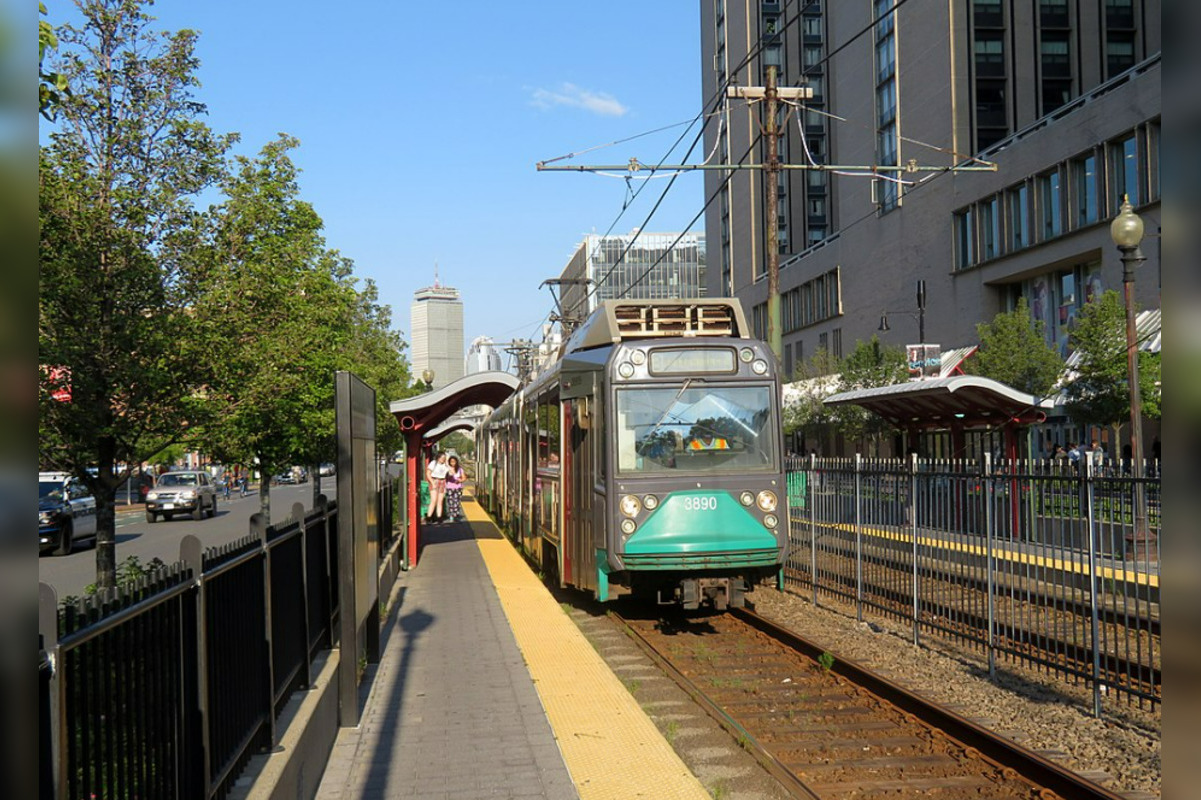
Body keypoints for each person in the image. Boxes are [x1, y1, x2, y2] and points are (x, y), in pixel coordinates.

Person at [426, 452, 449, 523]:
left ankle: (439, 517)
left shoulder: (446, 465)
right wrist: (432, 483)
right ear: (438, 458)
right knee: (433, 500)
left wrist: (447, 462)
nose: (443, 459)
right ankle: (429, 517)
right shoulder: (433, 463)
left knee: (440, 501)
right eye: (442, 458)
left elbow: (451, 472)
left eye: (444, 458)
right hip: (434, 480)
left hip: (442, 481)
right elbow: (428, 473)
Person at [444, 455, 466, 522]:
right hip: (449, 487)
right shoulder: (447, 469)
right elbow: (444, 477)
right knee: (450, 502)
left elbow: (464, 477)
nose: (452, 463)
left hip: (458, 487)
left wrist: (460, 480)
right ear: (449, 462)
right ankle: (451, 515)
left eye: (454, 462)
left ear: (456, 462)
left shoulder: (460, 469)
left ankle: (456, 515)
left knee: (457, 501)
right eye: (451, 462)